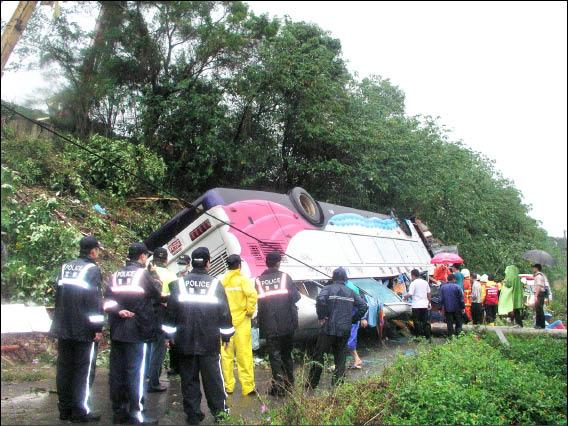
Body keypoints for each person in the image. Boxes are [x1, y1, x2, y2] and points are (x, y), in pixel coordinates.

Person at [163, 247, 234, 425]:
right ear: (208, 262)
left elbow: (170, 313)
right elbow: (224, 313)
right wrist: (226, 337)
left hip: (184, 341)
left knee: (188, 380)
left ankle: (193, 414)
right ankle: (220, 413)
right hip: (209, 342)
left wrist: (168, 336)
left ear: (192, 262)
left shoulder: (179, 284)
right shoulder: (215, 284)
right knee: (213, 380)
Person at [103, 242, 162, 424]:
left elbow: (106, 301)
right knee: (136, 372)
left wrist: (118, 310)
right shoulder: (143, 274)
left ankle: (119, 411)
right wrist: (153, 274)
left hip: (118, 330)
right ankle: (136, 414)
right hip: (137, 330)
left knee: (118, 372)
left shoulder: (115, 274)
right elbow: (157, 293)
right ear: (143, 257)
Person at [50, 236, 104, 422]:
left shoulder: (65, 267)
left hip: (63, 327)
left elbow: (58, 297)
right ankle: (80, 412)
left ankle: (65, 409)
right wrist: (97, 327)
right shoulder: (92, 269)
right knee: (83, 370)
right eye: (98, 250)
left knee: (64, 368)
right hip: (83, 330)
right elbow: (94, 300)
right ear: (93, 251)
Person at [307, 267, 367, 389]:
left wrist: (322, 316)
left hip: (328, 329)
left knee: (319, 355)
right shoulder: (350, 292)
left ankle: (312, 384)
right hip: (344, 329)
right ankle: (338, 385)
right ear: (345, 279)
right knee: (340, 357)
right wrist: (353, 319)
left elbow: (320, 300)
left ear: (333, 278)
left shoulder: (327, 289)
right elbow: (363, 306)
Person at [255, 251, 301, 396]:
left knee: (274, 356)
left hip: (269, 325)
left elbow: (259, 302)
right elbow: (296, 297)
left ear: (267, 263)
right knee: (287, 354)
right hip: (287, 324)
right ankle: (290, 384)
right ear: (278, 263)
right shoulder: (285, 277)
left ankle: (279, 387)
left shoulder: (258, 281)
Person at [220, 254, 258, 396]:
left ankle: (228, 386)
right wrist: (249, 311)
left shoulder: (222, 281)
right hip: (241, 322)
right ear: (239, 265)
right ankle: (247, 387)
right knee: (244, 355)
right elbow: (252, 295)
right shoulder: (243, 280)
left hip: (225, 323)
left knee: (226, 356)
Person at [146, 247, 177, 393]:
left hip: (145, 314)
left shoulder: (146, 273)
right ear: (166, 259)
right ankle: (153, 381)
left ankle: (145, 376)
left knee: (145, 347)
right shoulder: (171, 275)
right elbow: (174, 299)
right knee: (158, 350)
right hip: (162, 315)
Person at [168, 254, 192, 377]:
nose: (180, 266)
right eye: (179, 263)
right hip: (175, 311)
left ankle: (185, 366)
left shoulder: (191, 278)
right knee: (174, 340)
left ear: (188, 264)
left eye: (183, 264)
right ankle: (174, 366)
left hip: (187, 312)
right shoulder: (174, 277)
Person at [345, 280, 369, 368]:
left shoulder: (350, 287)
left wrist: (362, 318)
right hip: (348, 316)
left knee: (349, 340)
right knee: (346, 339)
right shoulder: (346, 285)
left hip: (352, 315)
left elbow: (362, 304)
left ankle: (356, 359)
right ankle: (356, 359)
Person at [403, 269, 431, 340]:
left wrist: (404, 298)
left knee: (416, 322)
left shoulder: (413, 283)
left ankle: (418, 337)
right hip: (424, 305)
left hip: (416, 306)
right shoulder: (425, 282)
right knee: (425, 321)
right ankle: (428, 337)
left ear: (413, 275)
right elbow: (429, 293)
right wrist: (429, 302)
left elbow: (410, 294)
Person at [532, 264, 548, 329]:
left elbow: (538, 286)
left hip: (539, 294)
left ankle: (540, 325)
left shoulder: (539, 276)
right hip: (540, 293)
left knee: (539, 309)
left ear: (537, 268)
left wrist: (536, 295)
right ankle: (539, 325)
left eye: (534, 268)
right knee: (538, 309)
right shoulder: (538, 276)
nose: (533, 269)